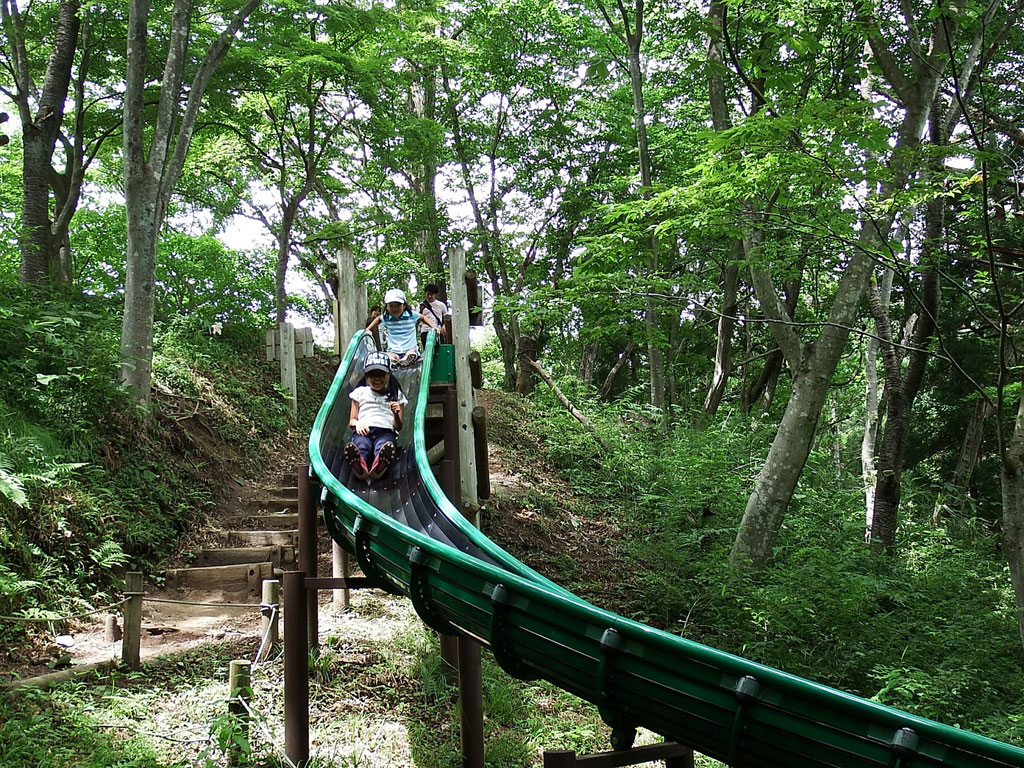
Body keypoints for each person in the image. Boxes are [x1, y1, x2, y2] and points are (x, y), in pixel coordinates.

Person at [343, 351, 407, 480]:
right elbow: (352, 421)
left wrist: (395, 414)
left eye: (381, 375)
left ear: (388, 375)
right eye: (373, 375)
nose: (377, 379)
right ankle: (359, 466)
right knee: (361, 445)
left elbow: (399, 426)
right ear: (366, 376)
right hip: (363, 431)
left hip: (386, 432)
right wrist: (358, 423)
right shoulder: (360, 392)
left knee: (384, 445)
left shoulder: (396, 395)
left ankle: (380, 465)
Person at [366, 288, 438, 365]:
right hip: (393, 350)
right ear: (387, 307)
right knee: (389, 356)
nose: (395, 308)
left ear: (404, 306)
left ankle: (407, 359)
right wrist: (368, 329)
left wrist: (434, 327)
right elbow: (378, 319)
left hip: (409, 349)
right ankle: (393, 360)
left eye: (398, 305)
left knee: (411, 352)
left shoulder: (411, 315)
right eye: (391, 305)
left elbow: (423, 317)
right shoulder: (387, 318)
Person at [419, 284, 448, 349]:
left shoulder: (441, 305)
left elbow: (446, 317)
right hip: (425, 331)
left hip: (438, 331)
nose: (429, 296)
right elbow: (418, 320)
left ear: (435, 294)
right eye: (428, 294)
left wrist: (444, 327)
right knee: (427, 350)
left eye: (431, 294)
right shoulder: (421, 306)